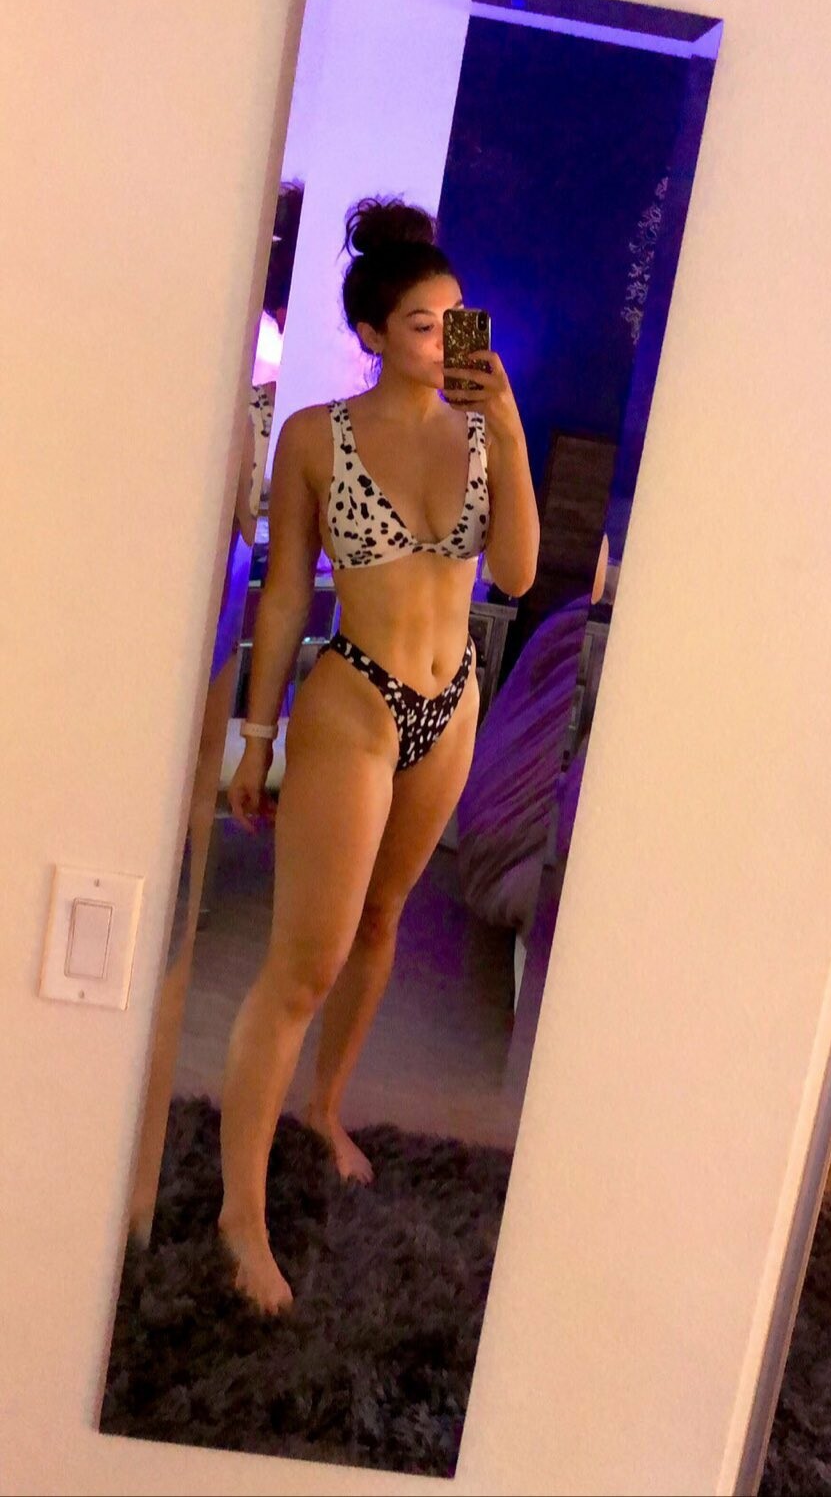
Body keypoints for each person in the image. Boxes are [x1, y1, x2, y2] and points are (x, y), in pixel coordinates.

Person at [217, 196, 540, 1311]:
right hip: (354, 699)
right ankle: (240, 1216)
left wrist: (509, 429)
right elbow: (283, 594)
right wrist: (255, 736)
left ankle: (324, 1106)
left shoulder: (483, 430)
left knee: (383, 920)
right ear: (370, 332)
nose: (449, 339)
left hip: (451, 705)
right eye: (421, 323)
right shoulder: (315, 435)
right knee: (303, 962)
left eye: (459, 317)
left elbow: (515, 574)